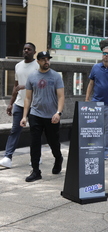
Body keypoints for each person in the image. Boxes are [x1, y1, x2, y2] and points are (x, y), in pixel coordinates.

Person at [20, 51, 65, 182]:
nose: (46, 61)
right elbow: (28, 98)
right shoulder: (32, 76)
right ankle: (35, 171)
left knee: (53, 142)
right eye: (43, 59)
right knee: (34, 143)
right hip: (35, 115)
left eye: (48, 59)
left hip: (52, 116)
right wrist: (24, 116)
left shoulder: (56, 76)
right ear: (38, 61)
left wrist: (58, 113)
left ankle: (58, 158)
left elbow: (61, 96)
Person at [0, 43, 40, 169]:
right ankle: (8, 157)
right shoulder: (18, 66)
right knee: (14, 130)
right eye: (24, 49)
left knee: (35, 132)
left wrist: (26, 86)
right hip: (19, 103)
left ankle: (36, 157)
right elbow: (16, 86)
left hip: (35, 105)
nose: (26, 51)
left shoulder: (38, 66)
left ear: (34, 52)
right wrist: (10, 103)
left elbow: (41, 84)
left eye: (29, 49)